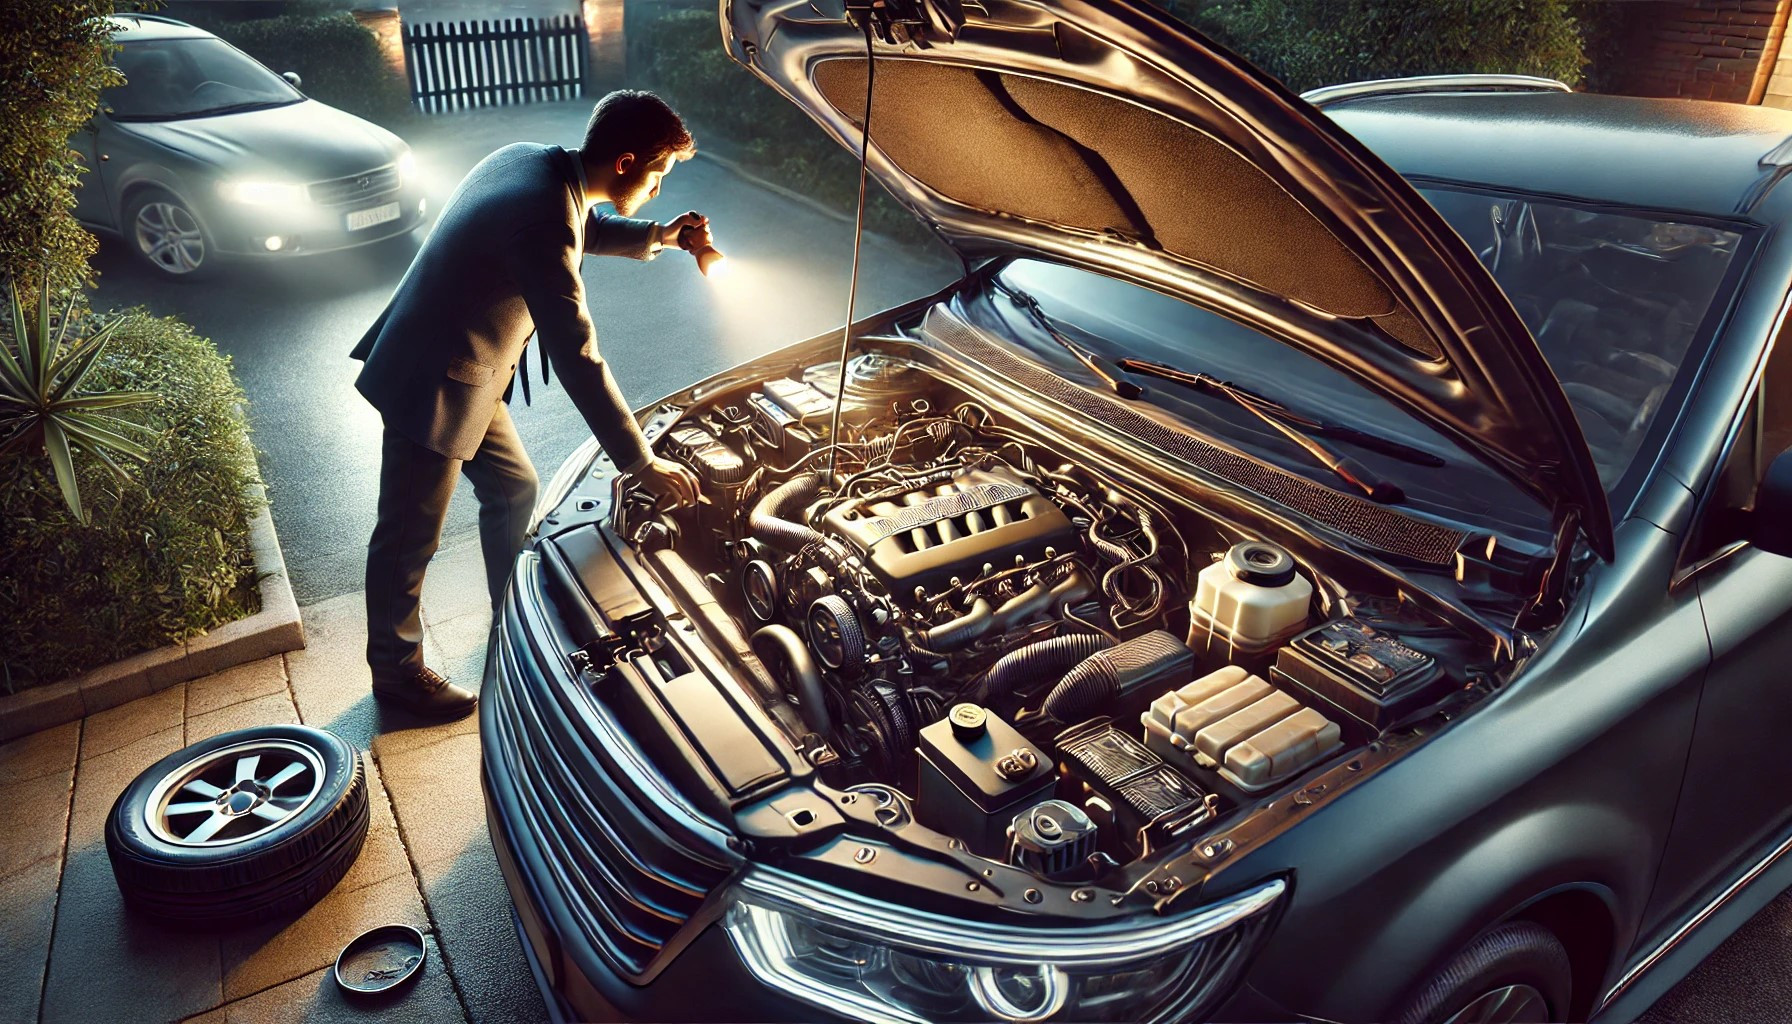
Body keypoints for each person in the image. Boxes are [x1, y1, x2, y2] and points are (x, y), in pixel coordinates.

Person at [351, 90, 704, 719]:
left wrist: (660, 235)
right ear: (624, 162)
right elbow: (578, 354)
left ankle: (508, 621)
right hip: (432, 378)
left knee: (515, 488)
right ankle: (396, 674)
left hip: (471, 371)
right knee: (407, 537)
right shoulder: (541, 215)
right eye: (656, 177)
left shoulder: (534, 163)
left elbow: (578, 225)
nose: (657, 190)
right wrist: (639, 462)